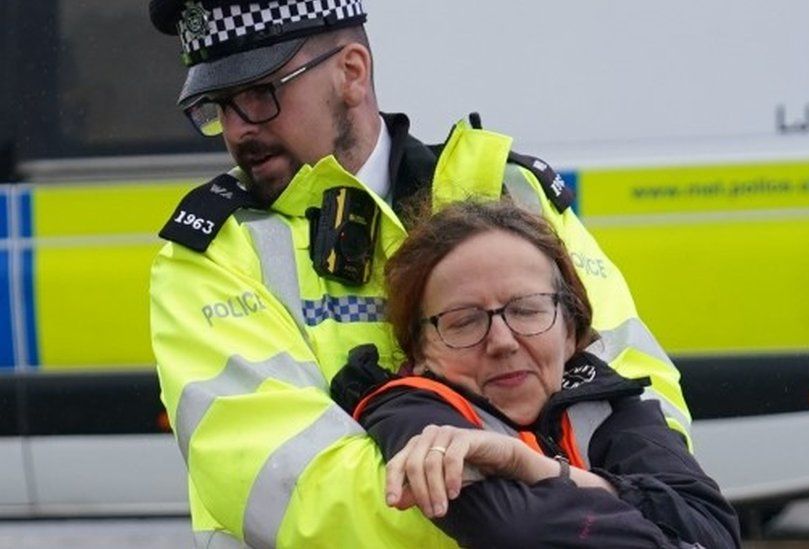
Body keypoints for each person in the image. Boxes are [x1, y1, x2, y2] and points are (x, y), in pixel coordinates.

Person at [147, 1, 694, 547]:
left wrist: (541, 501)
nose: (238, 130)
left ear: (352, 72)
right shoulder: (213, 255)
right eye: (217, 106)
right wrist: (565, 510)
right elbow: (294, 486)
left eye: (259, 96)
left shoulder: (515, 194)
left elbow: (640, 396)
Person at [336, 199, 739, 548]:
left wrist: (533, 467)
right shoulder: (409, 412)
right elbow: (517, 532)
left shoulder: (608, 402)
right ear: (421, 351)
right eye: (464, 322)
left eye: (527, 310)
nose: (502, 341)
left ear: (570, 330)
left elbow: (717, 531)